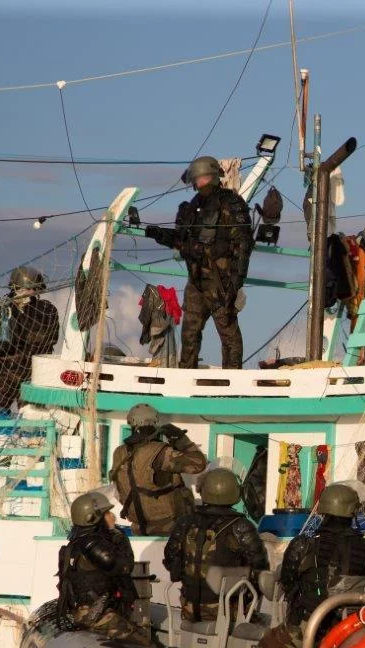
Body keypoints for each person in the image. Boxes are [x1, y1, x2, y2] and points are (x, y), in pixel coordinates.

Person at [143, 156, 254, 369]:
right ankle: (186, 376)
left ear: (211, 176)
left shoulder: (231, 203)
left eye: (201, 178)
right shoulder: (193, 207)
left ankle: (232, 379)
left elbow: (243, 244)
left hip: (220, 282)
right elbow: (181, 240)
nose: (197, 183)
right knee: (189, 333)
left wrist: (236, 282)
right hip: (196, 281)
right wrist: (157, 233)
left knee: (228, 333)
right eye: (196, 179)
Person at [256, 483, 365, 648]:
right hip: (352, 629)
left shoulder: (303, 545)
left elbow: (288, 582)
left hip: (307, 626)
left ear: (323, 509)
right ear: (353, 512)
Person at [164, 468, 269, 624]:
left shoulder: (185, 522)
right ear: (235, 492)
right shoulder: (241, 526)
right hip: (226, 610)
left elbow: (170, 559)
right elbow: (261, 569)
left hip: (189, 607)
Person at [56, 491, 151, 647]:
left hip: (87, 611)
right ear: (93, 518)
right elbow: (124, 566)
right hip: (97, 614)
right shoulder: (92, 544)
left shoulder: (78, 542)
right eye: (106, 513)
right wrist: (119, 535)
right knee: (145, 645)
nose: (112, 516)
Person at [0, 266, 60, 416]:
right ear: (18, 287)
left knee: (33, 417)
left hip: (34, 373)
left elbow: (53, 338)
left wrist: (31, 345)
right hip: (5, 372)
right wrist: (3, 346)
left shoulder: (47, 310)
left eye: (35, 289)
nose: (32, 292)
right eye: (30, 288)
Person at [109, 403, 206, 536]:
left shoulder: (119, 452)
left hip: (138, 527)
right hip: (168, 529)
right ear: (154, 422)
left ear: (130, 422)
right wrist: (181, 440)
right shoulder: (161, 452)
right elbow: (199, 464)